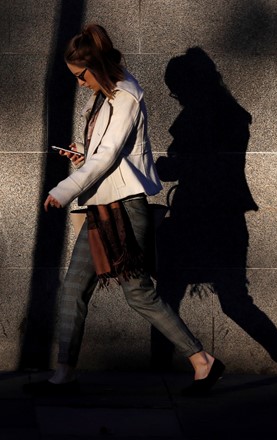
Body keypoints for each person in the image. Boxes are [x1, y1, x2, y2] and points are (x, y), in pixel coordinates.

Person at [23, 24, 222, 396]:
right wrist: (83, 156)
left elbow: (110, 156)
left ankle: (202, 361)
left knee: (138, 294)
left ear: (97, 65)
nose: (79, 83)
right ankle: (63, 375)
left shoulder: (126, 94)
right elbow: (105, 155)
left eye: (81, 75)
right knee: (73, 290)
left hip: (124, 209)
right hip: (102, 206)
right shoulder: (103, 98)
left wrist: (65, 189)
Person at [153, 47, 277, 377]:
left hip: (196, 218)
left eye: (177, 89)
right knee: (233, 299)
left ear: (190, 85)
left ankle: (159, 370)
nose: (176, 97)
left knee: (167, 296)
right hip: (225, 218)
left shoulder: (200, 117)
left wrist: (165, 167)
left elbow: (194, 165)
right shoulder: (230, 115)